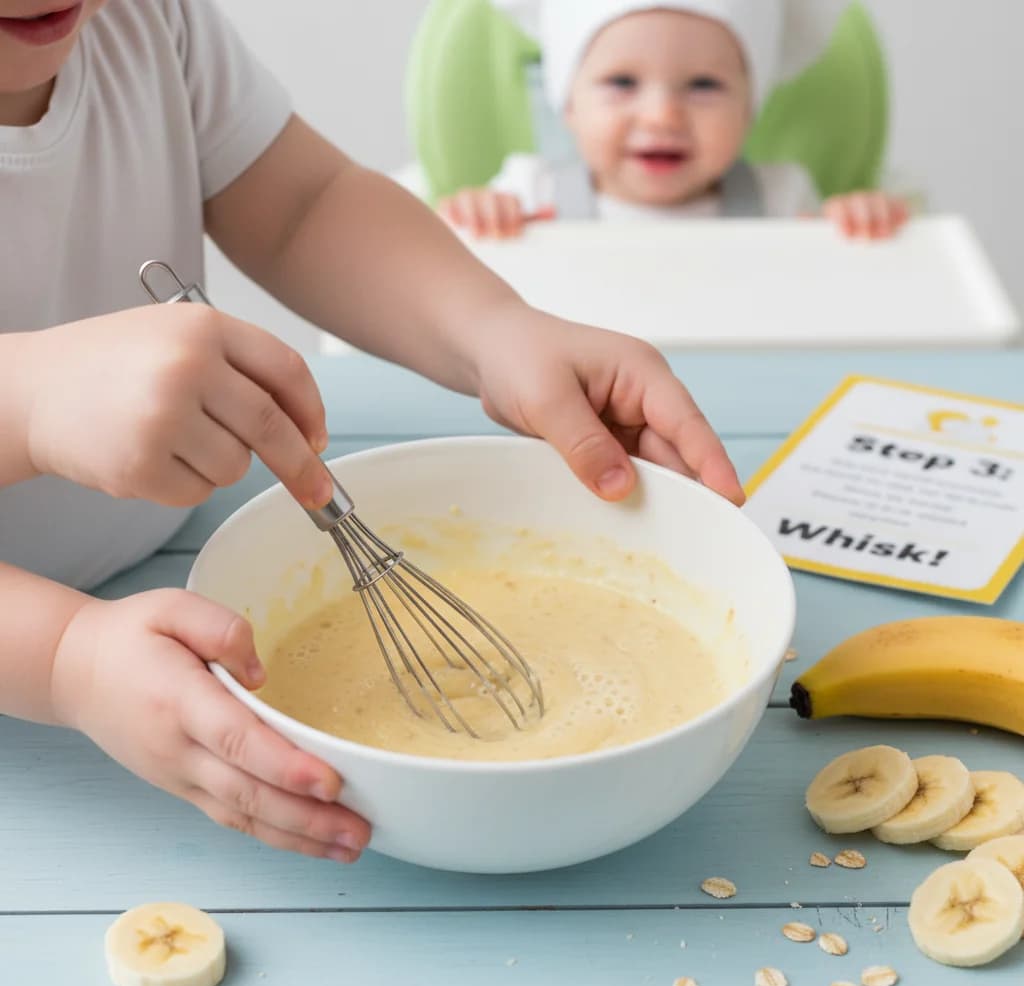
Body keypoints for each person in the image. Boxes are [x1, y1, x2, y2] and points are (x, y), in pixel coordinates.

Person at [0, 0, 743, 865]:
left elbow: (303, 207)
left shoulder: (148, 20)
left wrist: (493, 333)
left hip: (163, 552)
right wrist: (67, 657)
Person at [439, 0, 909, 240]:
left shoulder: (782, 200)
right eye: (622, 82)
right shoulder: (528, 193)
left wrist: (857, 225)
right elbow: (443, 281)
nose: (663, 116)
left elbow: (835, 290)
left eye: (703, 85)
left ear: (750, 107)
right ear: (568, 105)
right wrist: (475, 220)